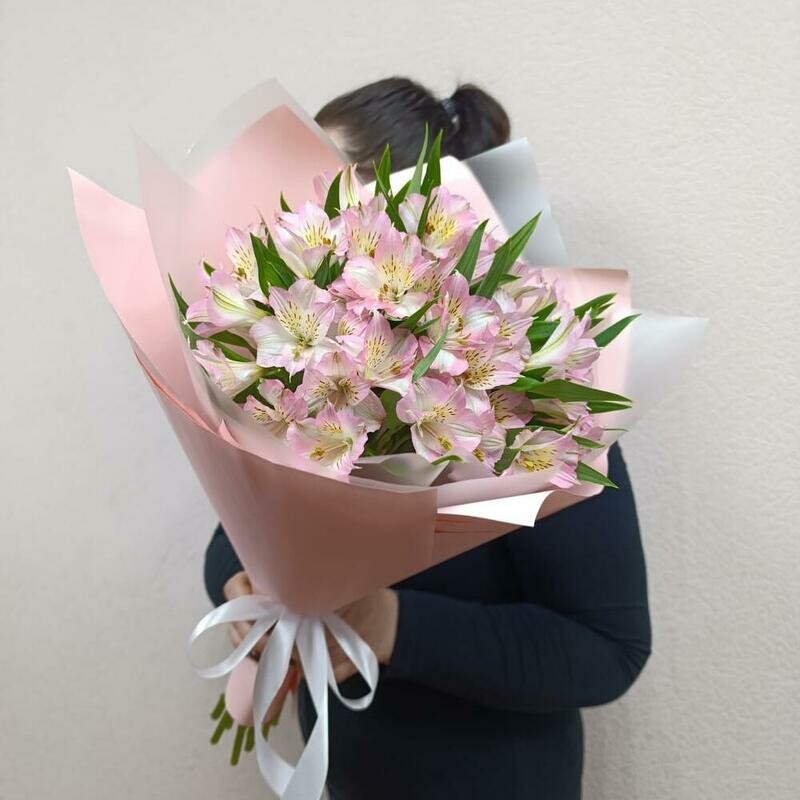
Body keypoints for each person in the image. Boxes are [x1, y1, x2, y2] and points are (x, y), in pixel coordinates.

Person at [204, 77, 651, 800]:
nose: (294, 221)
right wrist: (248, 586)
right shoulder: (307, 378)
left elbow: (606, 649)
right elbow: (240, 536)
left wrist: (392, 624)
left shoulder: (534, 404)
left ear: (418, 221)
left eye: (324, 194)